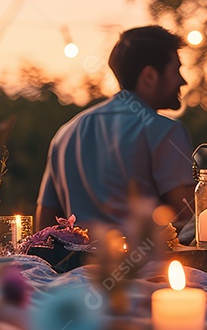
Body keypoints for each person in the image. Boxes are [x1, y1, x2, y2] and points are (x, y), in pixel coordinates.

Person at [36, 26, 194, 233]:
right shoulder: (165, 131)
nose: (184, 80)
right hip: (146, 264)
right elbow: (189, 217)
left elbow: (45, 225)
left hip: (73, 265)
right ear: (149, 76)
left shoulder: (66, 133)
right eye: (176, 70)